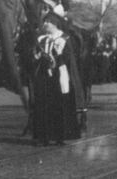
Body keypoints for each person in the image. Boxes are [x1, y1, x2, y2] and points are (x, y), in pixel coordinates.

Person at [31, 11, 82, 146]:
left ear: (54, 24)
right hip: (44, 76)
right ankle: (44, 137)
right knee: (43, 105)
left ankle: (60, 136)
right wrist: (38, 58)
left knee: (59, 105)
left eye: (48, 22)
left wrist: (57, 58)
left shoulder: (64, 38)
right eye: (45, 22)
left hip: (59, 74)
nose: (45, 24)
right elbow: (35, 55)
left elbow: (69, 56)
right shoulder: (41, 39)